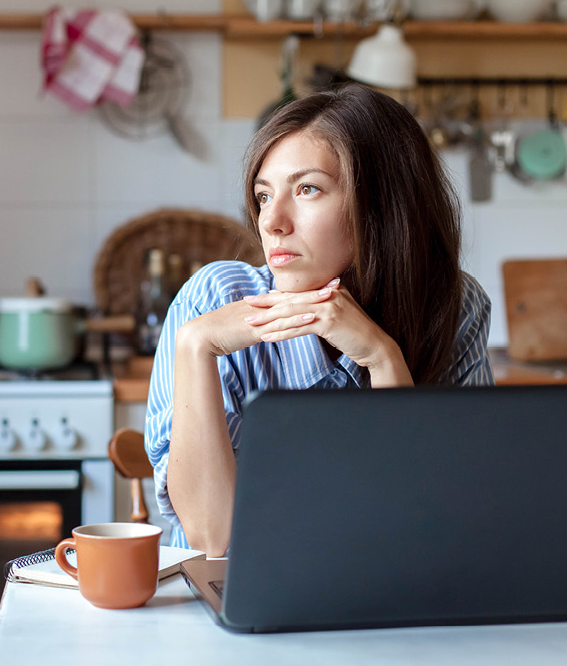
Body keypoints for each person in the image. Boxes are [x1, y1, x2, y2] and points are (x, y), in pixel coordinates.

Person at [144, 83, 494, 556]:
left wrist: (383, 358)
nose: (272, 222)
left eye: (307, 189)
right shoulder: (214, 297)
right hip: (230, 599)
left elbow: (432, 514)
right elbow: (213, 536)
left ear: (384, 206)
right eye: (264, 196)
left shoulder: (455, 304)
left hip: (380, 596)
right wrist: (194, 345)